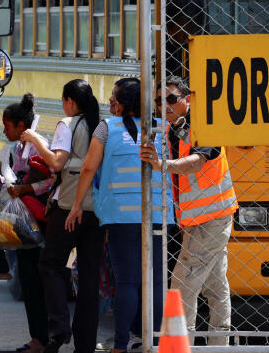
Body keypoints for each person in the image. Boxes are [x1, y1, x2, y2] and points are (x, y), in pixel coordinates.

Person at [65, 78, 174, 353]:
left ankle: (121, 344)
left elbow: (89, 168)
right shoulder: (163, 128)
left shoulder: (106, 128)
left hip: (120, 217)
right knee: (156, 283)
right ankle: (157, 342)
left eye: (115, 97)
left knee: (127, 282)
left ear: (123, 103)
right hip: (159, 216)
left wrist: (77, 205)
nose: (111, 101)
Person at [140, 76, 238, 346]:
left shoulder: (206, 123)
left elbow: (197, 161)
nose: (165, 105)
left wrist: (163, 165)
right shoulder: (177, 127)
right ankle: (218, 347)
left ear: (188, 98)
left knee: (182, 286)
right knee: (217, 287)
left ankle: (180, 346)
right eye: (160, 101)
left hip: (212, 217)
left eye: (171, 99)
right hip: (200, 218)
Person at [21, 79, 103, 353]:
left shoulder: (66, 125)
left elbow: (57, 162)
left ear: (69, 101)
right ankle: (85, 346)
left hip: (69, 207)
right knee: (89, 280)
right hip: (97, 212)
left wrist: (35, 139)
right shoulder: (101, 126)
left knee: (51, 265)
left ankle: (59, 328)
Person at [0, 93, 53, 353]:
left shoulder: (37, 145)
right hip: (27, 222)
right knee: (29, 280)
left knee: (37, 282)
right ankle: (38, 338)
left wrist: (24, 189)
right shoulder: (19, 148)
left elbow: (53, 180)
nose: (4, 130)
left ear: (21, 126)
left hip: (40, 221)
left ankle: (43, 339)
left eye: (7, 126)